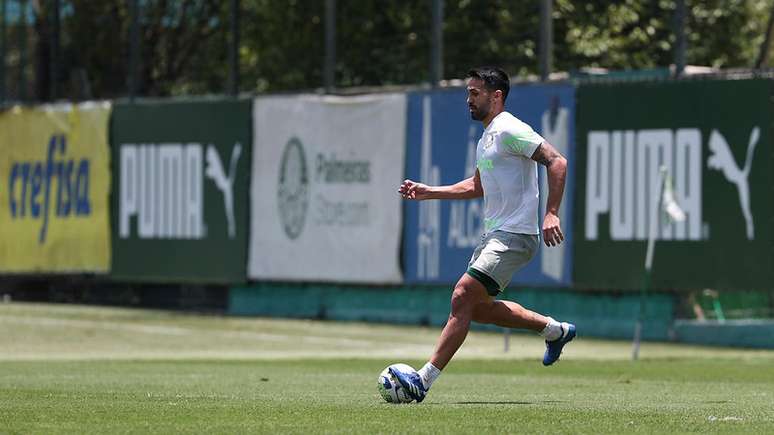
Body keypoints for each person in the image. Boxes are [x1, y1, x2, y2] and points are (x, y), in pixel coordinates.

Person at [390, 67, 575, 403]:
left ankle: (423, 380)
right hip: (495, 235)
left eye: (475, 93)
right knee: (478, 308)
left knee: (462, 295)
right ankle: (555, 330)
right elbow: (476, 186)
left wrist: (551, 213)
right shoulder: (488, 136)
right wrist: (429, 191)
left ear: (496, 95)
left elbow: (557, 161)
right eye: (468, 93)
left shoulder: (510, 129)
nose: (468, 100)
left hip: (515, 235)